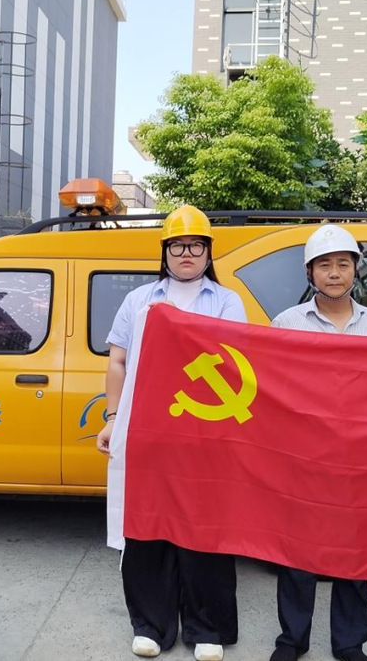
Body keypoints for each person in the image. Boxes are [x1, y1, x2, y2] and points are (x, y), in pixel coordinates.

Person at [96, 205, 246, 661]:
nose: (186, 253)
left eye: (195, 246)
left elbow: (239, 365)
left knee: (205, 529)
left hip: (206, 435)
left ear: (208, 253)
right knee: (147, 527)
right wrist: (113, 418)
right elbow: (118, 362)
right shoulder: (138, 300)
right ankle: (151, 626)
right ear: (164, 251)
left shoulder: (226, 302)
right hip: (148, 431)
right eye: (177, 245)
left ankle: (207, 628)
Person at [267, 224, 367, 661]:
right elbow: (272, 388)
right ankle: (292, 640)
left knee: (354, 553)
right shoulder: (287, 322)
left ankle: (349, 643)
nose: (334, 273)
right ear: (309, 272)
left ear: (355, 269)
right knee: (297, 552)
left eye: (343, 264)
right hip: (303, 456)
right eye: (324, 265)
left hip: (358, 457)